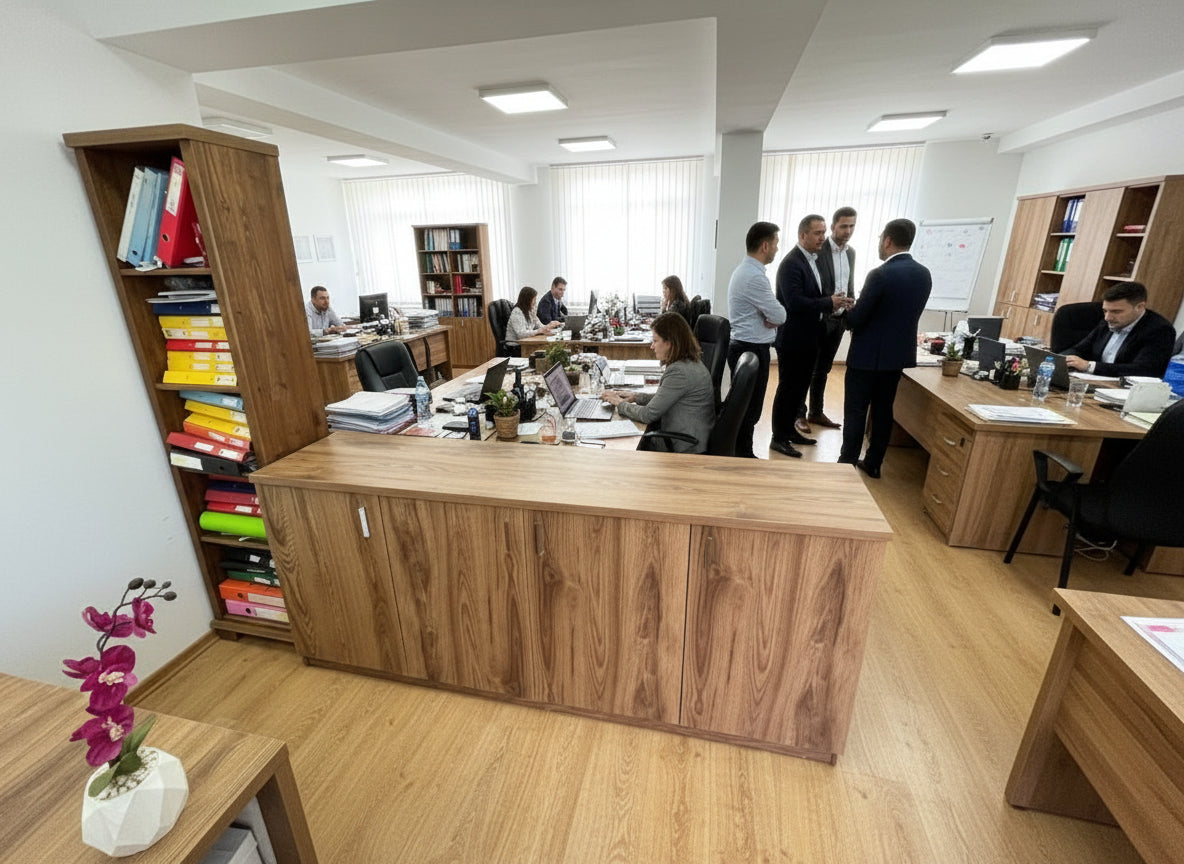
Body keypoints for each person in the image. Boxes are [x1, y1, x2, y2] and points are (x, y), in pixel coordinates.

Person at [839, 218, 932, 479]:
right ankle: (874, 463)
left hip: (866, 357)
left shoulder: (880, 274)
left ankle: (846, 463)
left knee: (856, 411)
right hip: (896, 358)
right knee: (883, 410)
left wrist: (846, 313)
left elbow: (858, 319)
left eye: (881, 238)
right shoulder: (923, 274)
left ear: (888, 240)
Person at [769, 215, 852, 458]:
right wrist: (828, 302)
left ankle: (789, 431)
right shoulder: (791, 263)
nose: (822, 237)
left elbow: (814, 294)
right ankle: (778, 438)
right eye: (817, 233)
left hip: (810, 337)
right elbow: (794, 302)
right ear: (802, 235)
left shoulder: (813, 259)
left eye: (824, 232)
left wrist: (836, 301)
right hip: (793, 339)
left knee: (798, 390)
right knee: (787, 390)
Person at [601, 312, 715, 453]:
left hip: (683, 446)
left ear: (669, 343)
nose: (652, 346)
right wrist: (636, 397)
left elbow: (647, 415)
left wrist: (619, 403)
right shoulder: (690, 363)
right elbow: (665, 398)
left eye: (655, 341)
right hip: (688, 437)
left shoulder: (679, 372)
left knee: (616, 446)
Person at [726, 221, 786, 458]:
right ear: (765, 246)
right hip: (750, 349)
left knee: (746, 406)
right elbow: (780, 315)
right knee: (749, 409)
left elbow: (774, 315)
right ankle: (743, 455)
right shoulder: (754, 277)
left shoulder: (746, 271)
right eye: (776, 243)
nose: (777, 249)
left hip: (744, 346)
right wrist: (771, 318)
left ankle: (742, 452)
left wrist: (770, 316)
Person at [796, 206, 857, 435]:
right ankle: (799, 414)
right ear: (833, 226)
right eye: (843, 226)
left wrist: (850, 305)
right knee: (807, 368)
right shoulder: (818, 251)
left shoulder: (851, 253)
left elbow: (849, 282)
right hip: (819, 318)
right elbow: (812, 287)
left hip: (839, 320)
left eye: (852, 226)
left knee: (823, 369)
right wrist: (827, 304)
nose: (847, 231)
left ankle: (816, 411)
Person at [1063, 282, 1176, 378]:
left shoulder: (1160, 330)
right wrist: (1063, 360)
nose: (1107, 317)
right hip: (1092, 381)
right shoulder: (1108, 321)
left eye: (1116, 311)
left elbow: (1144, 370)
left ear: (1139, 307)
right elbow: (1079, 349)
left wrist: (1089, 366)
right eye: (1105, 311)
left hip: (1123, 389)